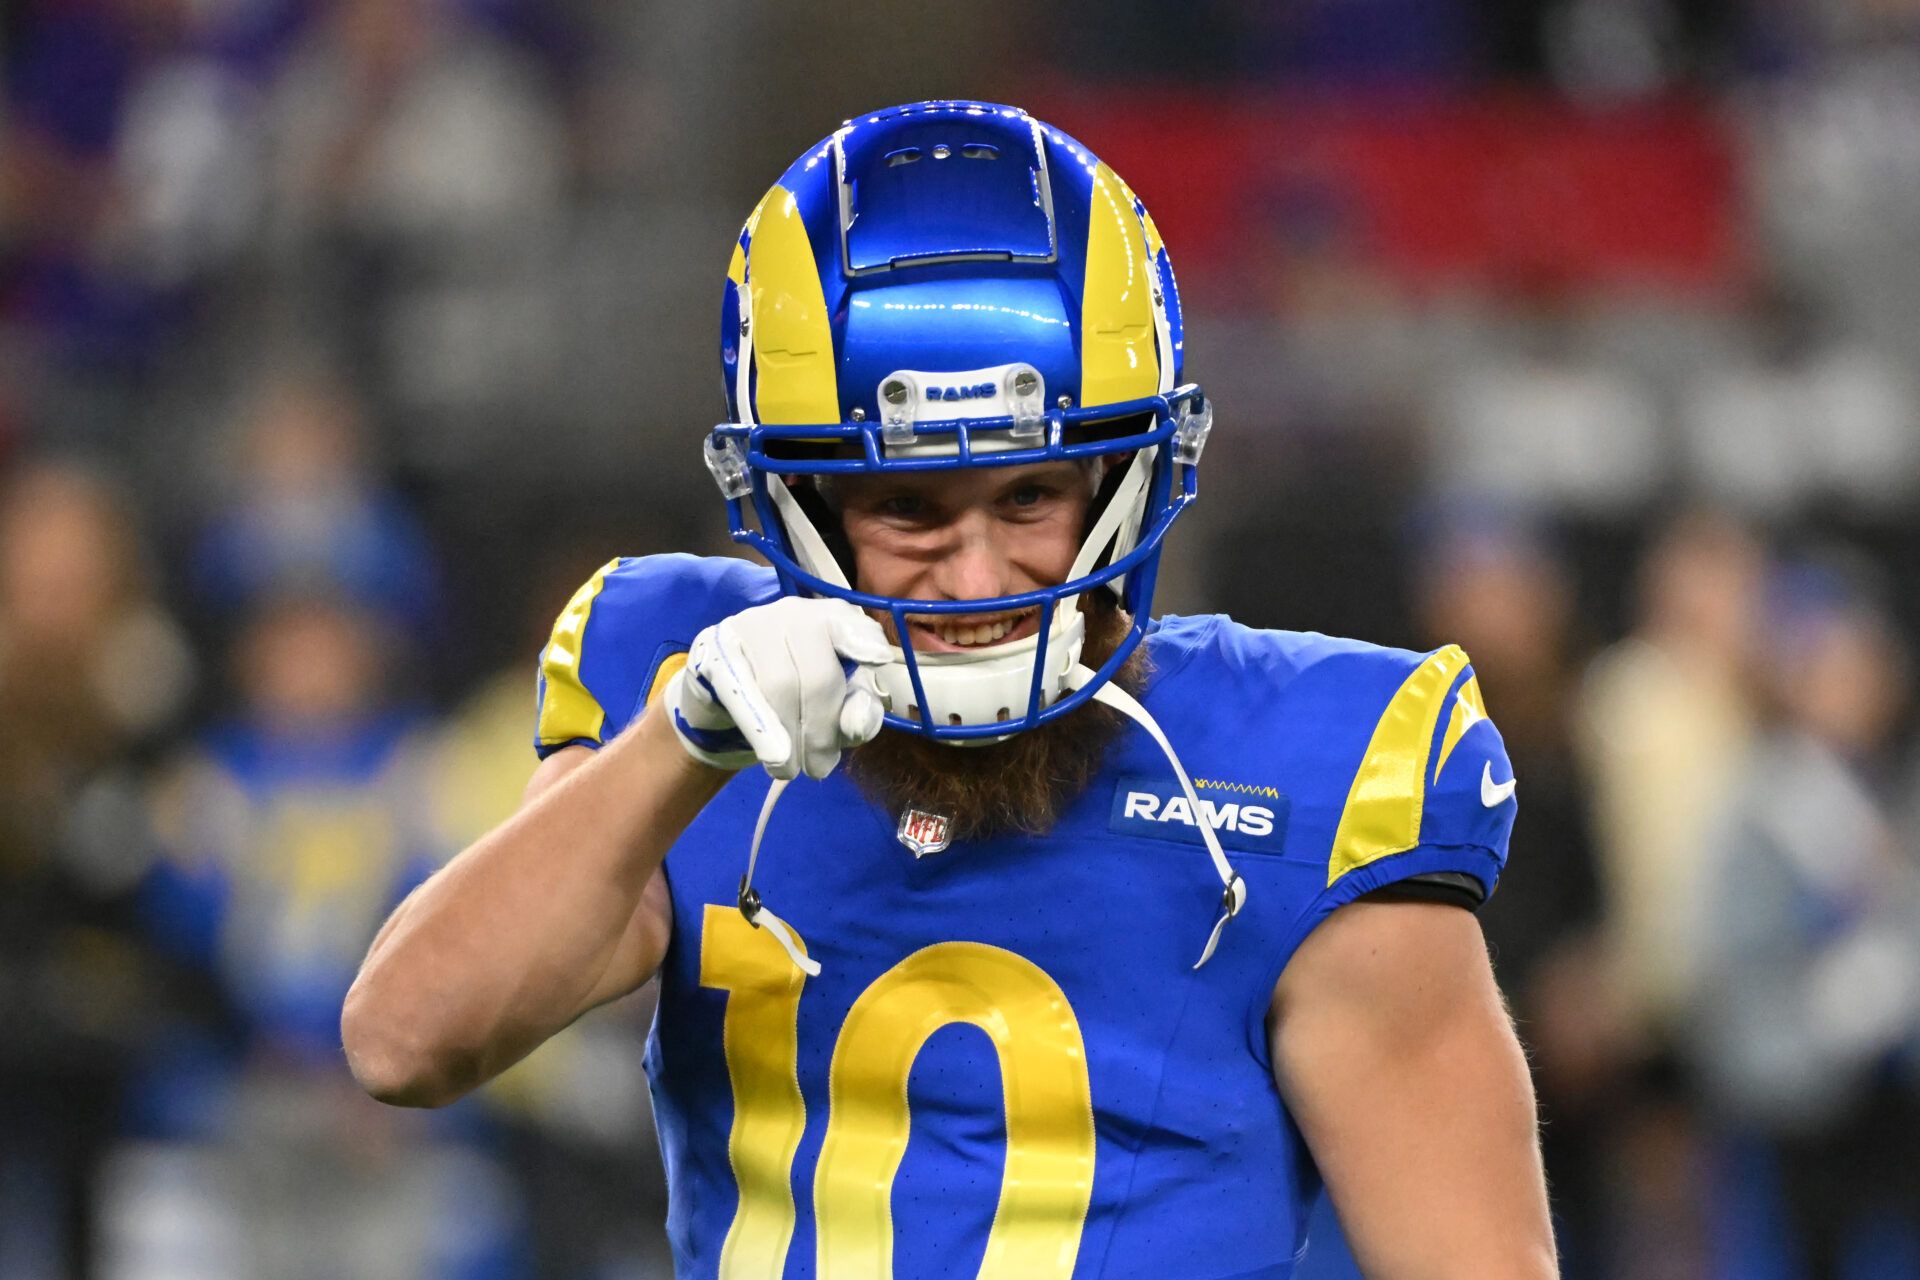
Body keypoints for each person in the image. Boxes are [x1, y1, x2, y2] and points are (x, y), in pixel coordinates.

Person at [344, 100, 1555, 1279]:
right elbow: (405, 1038)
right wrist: (681, 745)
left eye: (1029, 497)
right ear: (803, 504)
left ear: (1123, 478)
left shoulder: (1318, 768)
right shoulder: (684, 684)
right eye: (909, 508)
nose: (976, 574)